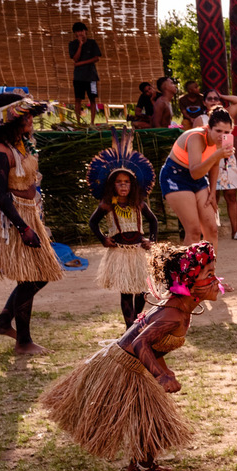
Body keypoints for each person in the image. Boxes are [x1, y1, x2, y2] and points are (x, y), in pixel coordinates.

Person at [40, 243, 225, 471]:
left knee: (147, 416)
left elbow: (155, 344)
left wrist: (164, 367)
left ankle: (140, 464)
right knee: (150, 419)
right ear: (188, 282)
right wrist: (161, 376)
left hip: (131, 365)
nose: (217, 281)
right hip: (122, 368)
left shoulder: (180, 308)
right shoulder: (173, 314)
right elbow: (140, 343)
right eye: (209, 275)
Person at [0, 93, 62, 355]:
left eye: (30, 114)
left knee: (37, 276)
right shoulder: (0, 152)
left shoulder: (19, 146)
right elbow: (1, 195)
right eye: (25, 115)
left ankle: (4, 322)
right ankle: (23, 341)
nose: (30, 119)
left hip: (28, 214)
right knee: (32, 277)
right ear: (10, 120)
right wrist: (23, 227)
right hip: (11, 219)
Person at [87, 134, 158, 327]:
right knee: (126, 291)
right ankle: (129, 326)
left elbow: (153, 221)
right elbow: (92, 223)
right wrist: (103, 239)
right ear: (112, 185)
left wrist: (151, 240)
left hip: (137, 251)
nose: (123, 185)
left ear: (133, 184)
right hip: (120, 252)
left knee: (143, 289)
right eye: (119, 182)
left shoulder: (139, 204)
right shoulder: (107, 204)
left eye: (127, 182)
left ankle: (136, 319)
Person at [158, 107, 234, 246]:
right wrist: (217, 155)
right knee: (193, 231)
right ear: (208, 128)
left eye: (226, 132)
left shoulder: (221, 141)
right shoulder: (196, 137)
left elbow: (215, 166)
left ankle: (210, 268)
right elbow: (195, 173)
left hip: (198, 177)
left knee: (212, 229)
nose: (221, 135)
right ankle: (189, 267)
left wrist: (212, 192)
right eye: (218, 131)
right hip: (176, 175)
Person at [203, 89, 237, 240]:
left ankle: (235, 231)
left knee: (231, 195)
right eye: (210, 98)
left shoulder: (227, 115)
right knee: (212, 194)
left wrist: (222, 96)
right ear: (204, 102)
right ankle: (211, 229)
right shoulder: (201, 119)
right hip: (209, 158)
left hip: (227, 159)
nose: (213, 101)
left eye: (216, 98)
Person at [68, 22, 102, 125]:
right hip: (78, 77)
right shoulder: (72, 44)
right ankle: (78, 122)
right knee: (78, 99)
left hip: (91, 76)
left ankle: (92, 122)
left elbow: (96, 58)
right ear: (75, 34)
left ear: (85, 31)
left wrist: (81, 63)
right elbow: (75, 58)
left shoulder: (92, 43)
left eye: (82, 31)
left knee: (92, 99)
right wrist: (80, 45)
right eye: (78, 31)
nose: (80, 33)